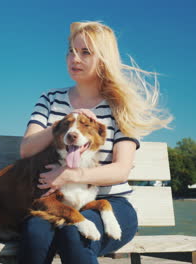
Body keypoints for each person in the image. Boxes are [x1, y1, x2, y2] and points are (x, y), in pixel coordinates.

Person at [17, 21, 172, 264]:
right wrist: (67, 121)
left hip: (110, 203)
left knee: (75, 235)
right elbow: (26, 149)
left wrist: (70, 175)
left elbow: (121, 169)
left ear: (103, 59)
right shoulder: (50, 99)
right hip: (56, 202)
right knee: (34, 234)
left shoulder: (119, 107)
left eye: (85, 52)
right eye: (71, 51)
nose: (74, 58)